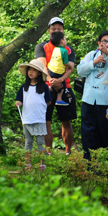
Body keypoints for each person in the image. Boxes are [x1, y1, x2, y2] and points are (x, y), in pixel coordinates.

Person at [77, 31, 108, 160]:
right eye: (104, 41)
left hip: (106, 102)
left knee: (105, 133)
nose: (107, 44)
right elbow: (80, 70)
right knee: (88, 133)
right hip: (89, 100)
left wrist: (107, 53)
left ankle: (106, 162)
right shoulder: (91, 55)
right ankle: (89, 162)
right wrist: (94, 62)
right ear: (99, 43)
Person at [34, 17, 76, 155]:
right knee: (46, 121)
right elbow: (41, 65)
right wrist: (51, 79)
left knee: (66, 121)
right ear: (49, 31)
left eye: (59, 29)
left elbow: (71, 68)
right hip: (45, 87)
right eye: (54, 29)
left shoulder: (68, 49)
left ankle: (68, 152)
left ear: (63, 31)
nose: (56, 31)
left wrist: (60, 80)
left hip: (65, 86)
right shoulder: (42, 46)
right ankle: (48, 152)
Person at [15, 59, 52, 170]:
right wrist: (18, 103)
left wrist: (39, 107)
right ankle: (28, 163)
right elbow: (20, 100)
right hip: (27, 119)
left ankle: (42, 164)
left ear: (39, 73)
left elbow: (48, 101)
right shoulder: (23, 87)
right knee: (28, 142)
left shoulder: (44, 87)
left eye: (34, 70)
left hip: (39, 118)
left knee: (40, 142)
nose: (31, 72)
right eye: (29, 70)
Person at [46, 31, 74, 106]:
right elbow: (65, 62)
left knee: (54, 82)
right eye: (65, 39)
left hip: (51, 70)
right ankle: (59, 99)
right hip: (58, 71)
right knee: (62, 85)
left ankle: (49, 87)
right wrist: (70, 66)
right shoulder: (64, 51)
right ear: (62, 41)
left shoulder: (55, 49)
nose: (66, 41)